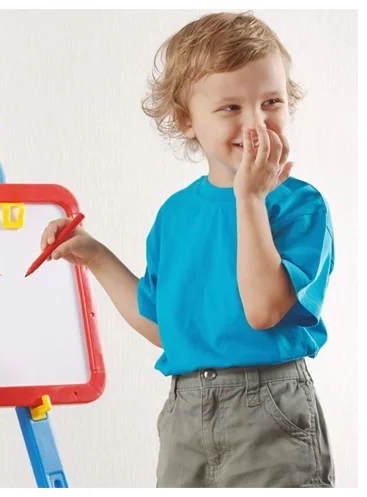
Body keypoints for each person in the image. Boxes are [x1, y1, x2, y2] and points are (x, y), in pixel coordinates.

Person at [39, 11, 335, 488]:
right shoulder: (175, 215)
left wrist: (250, 197)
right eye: (231, 108)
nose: (257, 123)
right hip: (186, 411)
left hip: (271, 409)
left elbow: (263, 312)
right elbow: (165, 330)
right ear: (186, 120)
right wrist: (95, 256)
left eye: (271, 102)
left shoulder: (300, 206)